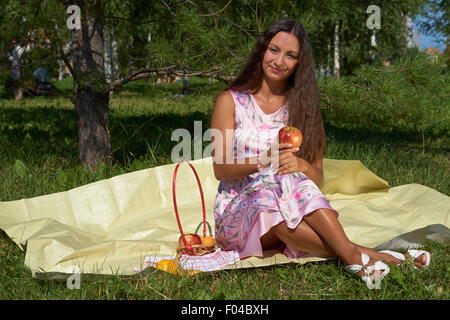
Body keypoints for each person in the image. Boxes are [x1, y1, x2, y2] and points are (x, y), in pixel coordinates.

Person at [209, 18, 430, 284]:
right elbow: (220, 169)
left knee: (288, 180)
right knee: (268, 195)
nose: (279, 61)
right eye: (274, 50)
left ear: (300, 63)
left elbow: (315, 179)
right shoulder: (230, 100)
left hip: (283, 212)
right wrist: (263, 160)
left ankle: (357, 258)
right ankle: (367, 256)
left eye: (291, 56)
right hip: (237, 215)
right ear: (262, 50)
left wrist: (300, 165)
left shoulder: (304, 108)